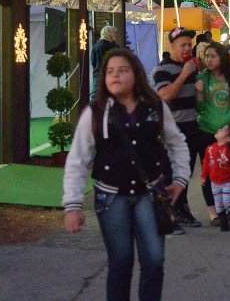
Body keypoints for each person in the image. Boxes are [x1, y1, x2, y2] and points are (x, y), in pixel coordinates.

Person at [62, 48, 190, 301]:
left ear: (136, 74)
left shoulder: (154, 107)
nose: (115, 76)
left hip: (149, 195)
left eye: (122, 70)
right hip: (111, 198)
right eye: (110, 71)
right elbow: (77, 159)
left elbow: (177, 142)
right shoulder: (96, 112)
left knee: (154, 261)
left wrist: (180, 179)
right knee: (120, 263)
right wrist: (73, 205)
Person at [151, 27, 204, 230]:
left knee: (185, 172)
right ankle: (167, 214)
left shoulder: (191, 67)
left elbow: (194, 100)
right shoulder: (162, 69)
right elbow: (165, 96)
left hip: (191, 126)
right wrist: (183, 75)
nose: (187, 48)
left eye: (189, 44)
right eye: (183, 44)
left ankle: (181, 209)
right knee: (169, 172)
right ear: (171, 46)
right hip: (171, 128)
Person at [194, 42, 230, 225]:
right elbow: (199, 108)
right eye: (207, 56)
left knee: (225, 171)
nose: (209, 60)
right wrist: (200, 94)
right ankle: (213, 212)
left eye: (213, 56)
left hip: (226, 132)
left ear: (222, 58)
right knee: (209, 172)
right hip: (206, 130)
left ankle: (227, 206)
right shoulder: (202, 77)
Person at [200, 125, 230, 231]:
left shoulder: (228, 149)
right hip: (214, 182)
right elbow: (206, 163)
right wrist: (203, 176)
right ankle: (224, 223)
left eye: (222, 130)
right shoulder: (210, 148)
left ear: (227, 138)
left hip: (227, 181)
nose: (218, 129)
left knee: (227, 201)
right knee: (219, 204)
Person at [90, 25, 121, 99]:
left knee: (95, 95)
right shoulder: (114, 47)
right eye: (114, 33)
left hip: (98, 74)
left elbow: (93, 61)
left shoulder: (96, 46)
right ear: (109, 34)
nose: (115, 35)